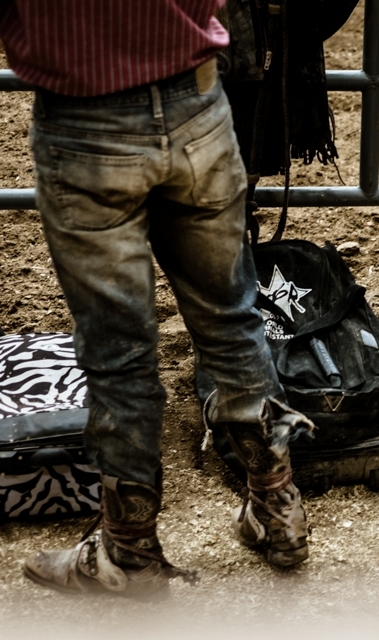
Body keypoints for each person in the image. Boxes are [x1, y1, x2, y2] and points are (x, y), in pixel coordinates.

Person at [0, 1, 314, 595]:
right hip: (195, 106)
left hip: (83, 122)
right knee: (231, 318)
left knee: (119, 351)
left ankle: (130, 553)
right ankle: (277, 509)